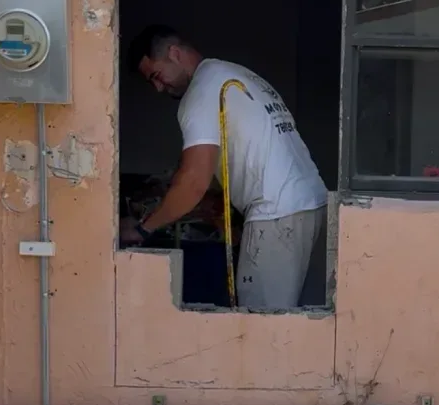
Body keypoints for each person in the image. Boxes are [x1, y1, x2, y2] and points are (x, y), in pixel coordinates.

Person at [124, 25, 328, 310]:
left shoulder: (201, 92)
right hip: (312, 205)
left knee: (261, 329)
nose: (159, 88)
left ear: (174, 53)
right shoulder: (233, 74)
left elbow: (193, 181)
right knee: (300, 324)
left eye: (157, 76)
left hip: (276, 214)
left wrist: (143, 229)